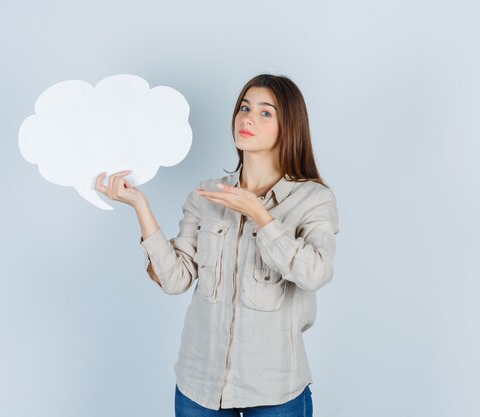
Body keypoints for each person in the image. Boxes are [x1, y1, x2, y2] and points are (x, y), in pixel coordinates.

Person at [95, 74, 339, 417]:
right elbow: (176, 279)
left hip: (275, 390)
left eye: (265, 112)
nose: (248, 118)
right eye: (244, 107)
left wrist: (258, 214)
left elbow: (315, 272)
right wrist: (140, 206)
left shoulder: (313, 199)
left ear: (289, 126)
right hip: (199, 386)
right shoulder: (207, 194)